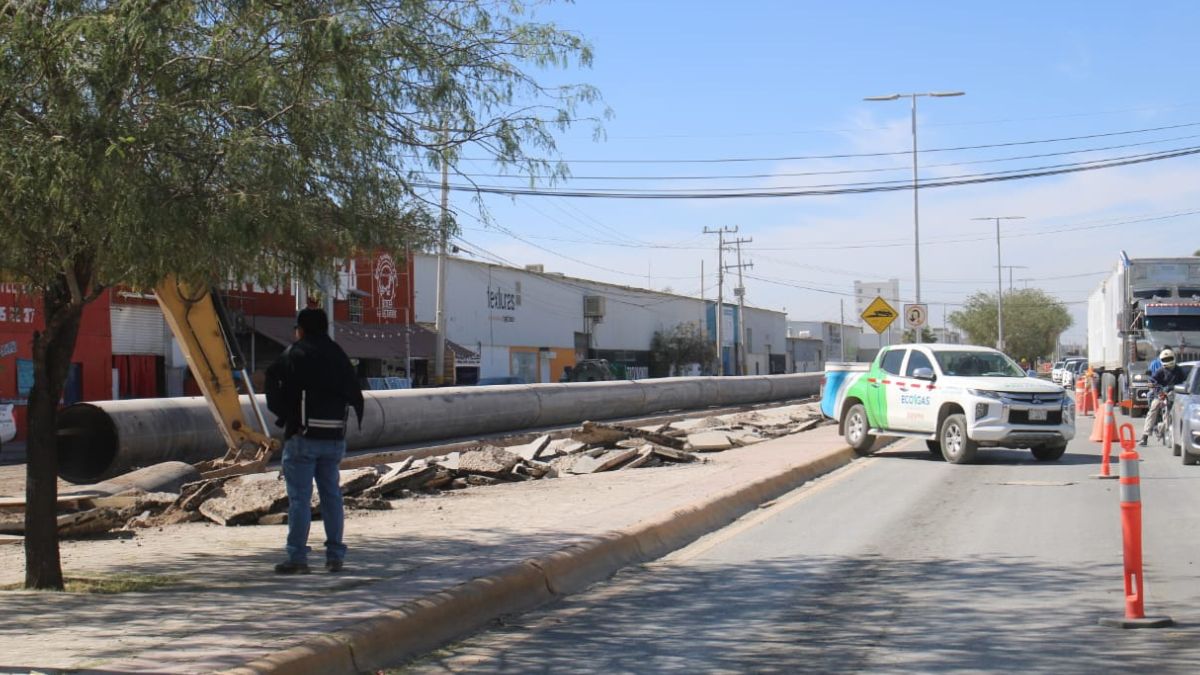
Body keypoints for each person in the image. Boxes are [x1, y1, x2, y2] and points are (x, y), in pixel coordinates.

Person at [265, 308, 364, 574]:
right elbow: (355, 390)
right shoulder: (338, 354)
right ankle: (335, 556)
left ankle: (297, 559)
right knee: (332, 496)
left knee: (300, 500)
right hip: (334, 437)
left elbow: (272, 380)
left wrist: (287, 417)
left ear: (302, 329)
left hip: (303, 438)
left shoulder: (296, 353)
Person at [1140, 348, 1186, 446]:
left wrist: (1176, 388)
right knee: (1153, 409)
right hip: (1161, 395)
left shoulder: (1179, 370)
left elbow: (1184, 382)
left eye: (1169, 358)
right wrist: (1158, 390)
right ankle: (1145, 436)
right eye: (1165, 359)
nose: (1167, 361)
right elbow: (1152, 381)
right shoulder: (1160, 371)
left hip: (1175, 395)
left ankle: (1181, 437)